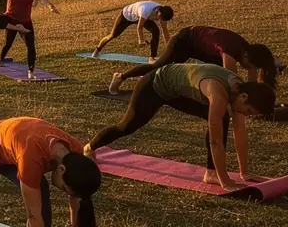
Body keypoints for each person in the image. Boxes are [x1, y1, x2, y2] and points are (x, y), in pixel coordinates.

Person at [88, 64, 276, 190]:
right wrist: (225, 181)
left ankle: (210, 173)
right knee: (127, 126)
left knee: (223, 118)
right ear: (244, 98)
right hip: (155, 85)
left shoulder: (240, 90)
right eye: (249, 111)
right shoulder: (219, 94)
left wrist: (244, 172)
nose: (246, 115)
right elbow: (216, 140)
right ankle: (90, 147)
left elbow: (240, 132)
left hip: (180, 91)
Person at [108, 26, 278, 94]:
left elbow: (250, 79)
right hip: (184, 41)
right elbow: (234, 86)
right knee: (159, 66)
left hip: (204, 49)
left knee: (216, 74)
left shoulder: (248, 51)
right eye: (252, 66)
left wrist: (257, 93)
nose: (251, 69)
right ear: (247, 57)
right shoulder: (230, 52)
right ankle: (121, 77)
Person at [91, 0, 174, 60]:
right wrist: (141, 40)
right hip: (126, 16)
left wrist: (170, 47)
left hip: (140, 17)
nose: (158, 20)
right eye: (159, 17)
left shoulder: (163, 14)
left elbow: (165, 31)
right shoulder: (145, 10)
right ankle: (97, 50)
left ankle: (152, 57)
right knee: (113, 35)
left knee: (156, 31)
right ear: (157, 11)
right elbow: (139, 27)